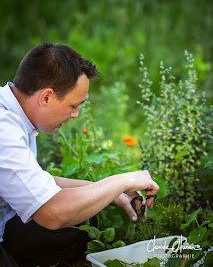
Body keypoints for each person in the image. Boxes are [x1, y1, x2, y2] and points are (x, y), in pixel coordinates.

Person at [0, 42, 159, 267]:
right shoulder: (4, 129)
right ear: (46, 97)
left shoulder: (12, 115)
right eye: (74, 105)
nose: (75, 115)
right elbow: (52, 212)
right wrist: (123, 180)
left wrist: (109, 192)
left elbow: (32, 184)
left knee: (82, 221)